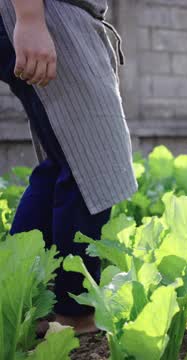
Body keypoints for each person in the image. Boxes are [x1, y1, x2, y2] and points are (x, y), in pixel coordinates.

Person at [0, 0, 137, 334]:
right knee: (90, 165)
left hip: (51, 17)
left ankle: (24, 301)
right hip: (48, 15)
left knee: (63, 165)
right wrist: (30, 19)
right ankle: (73, 311)